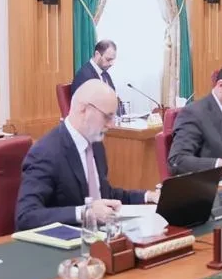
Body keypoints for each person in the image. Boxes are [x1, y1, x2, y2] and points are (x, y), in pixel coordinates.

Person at [15, 80, 157, 231]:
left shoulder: (95, 144)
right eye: (107, 117)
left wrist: (148, 196)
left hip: (100, 236)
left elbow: (104, 194)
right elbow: (26, 216)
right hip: (67, 240)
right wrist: (85, 213)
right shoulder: (46, 152)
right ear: (84, 110)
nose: (111, 125)